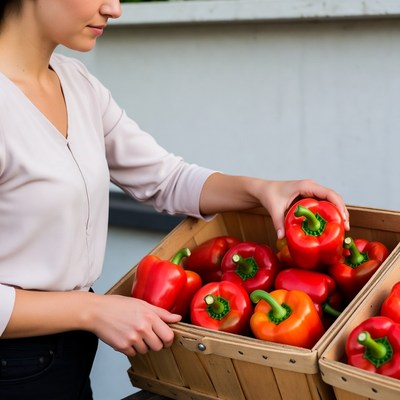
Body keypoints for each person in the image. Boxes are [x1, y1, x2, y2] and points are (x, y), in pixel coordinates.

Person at [0, 1, 350, 399]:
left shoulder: (76, 83)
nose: (114, 8)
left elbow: (165, 178)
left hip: (68, 348)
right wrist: (92, 311)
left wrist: (263, 189)